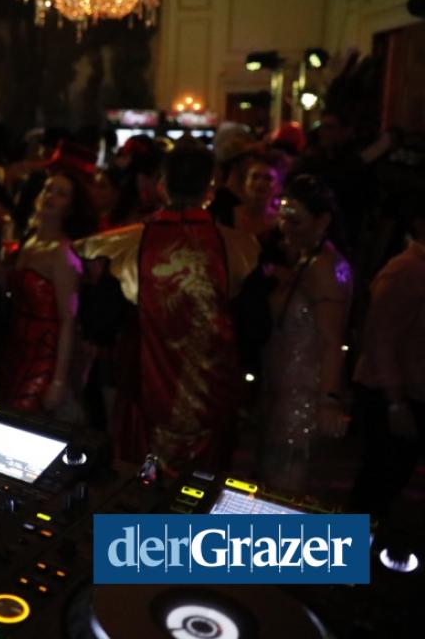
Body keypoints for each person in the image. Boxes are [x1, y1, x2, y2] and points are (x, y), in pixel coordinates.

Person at [78, 140, 260, 474]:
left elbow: (100, 323)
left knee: (144, 488)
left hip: (146, 398)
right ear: (210, 186)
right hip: (213, 400)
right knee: (202, 490)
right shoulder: (237, 247)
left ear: (162, 184)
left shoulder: (128, 245)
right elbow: (254, 327)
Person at [256, 175, 352, 495]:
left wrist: (328, 401)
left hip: (302, 400)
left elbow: (332, 340)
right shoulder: (306, 260)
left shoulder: (323, 267)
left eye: (295, 220)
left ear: (322, 221)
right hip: (285, 391)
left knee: (285, 490)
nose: (285, 227)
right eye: (283, 217)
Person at [0, 146, 98, 415]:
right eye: (48, 189)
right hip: (16, 347)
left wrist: (58, 381)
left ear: (71, 206)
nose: (51, 196)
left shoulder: (63, 253)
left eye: (61, 193)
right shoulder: (30, 240)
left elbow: (68, 320)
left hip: (45, 354)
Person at [349, 192, 425, 519]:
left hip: (409, 391)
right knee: (377, 485)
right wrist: (395, 402)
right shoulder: (406, 270)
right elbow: (379, 339)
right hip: (391, 394)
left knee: (389, 482)